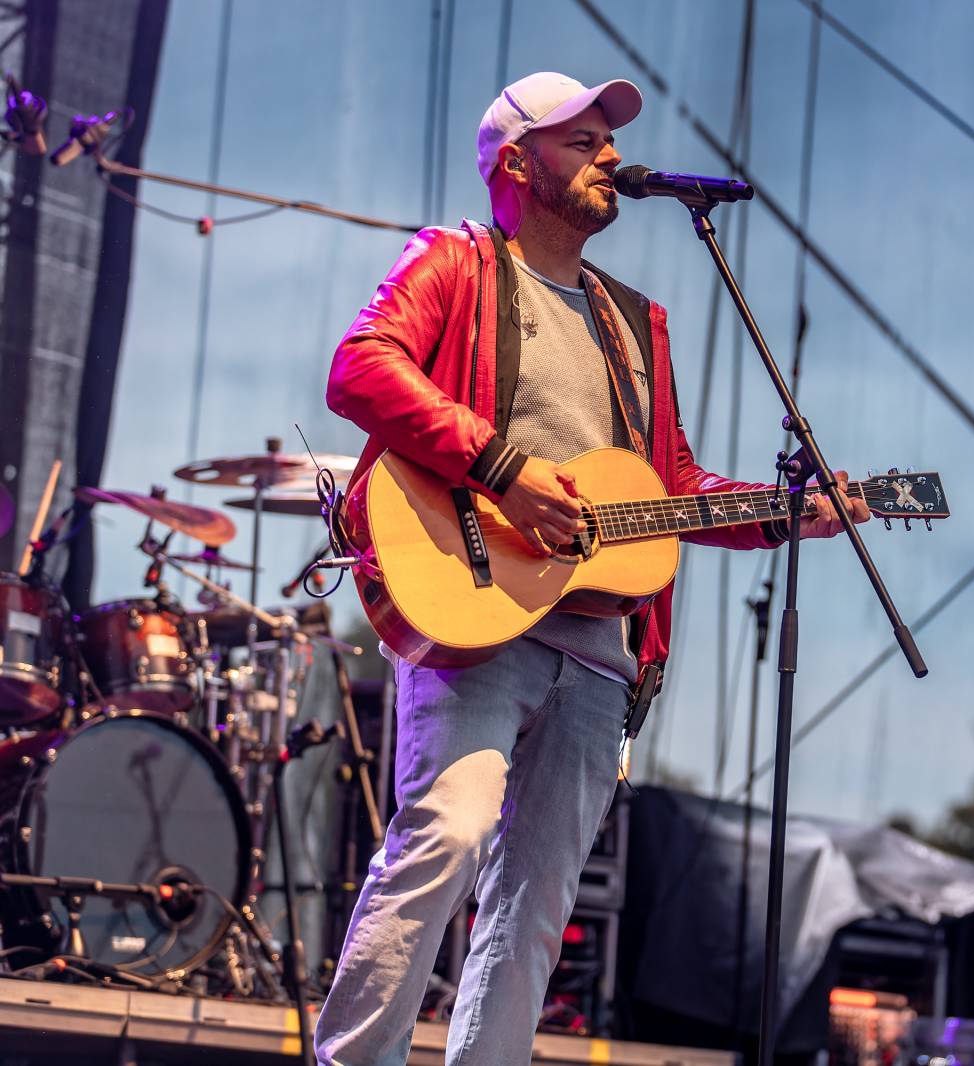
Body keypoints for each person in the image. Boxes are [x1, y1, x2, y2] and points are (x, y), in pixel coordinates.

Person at [313, 72, 868, 1065]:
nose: (610, 155)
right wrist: (503, 470)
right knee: (445, 836)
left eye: (610, 140)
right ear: (517, 162)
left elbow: (670, 487)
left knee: (537, 906)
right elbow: (361, 366)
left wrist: (788, 515)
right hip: (472, 610)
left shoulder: (633, 321)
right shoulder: (455, 262)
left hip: (600, 645)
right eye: (583, 140)